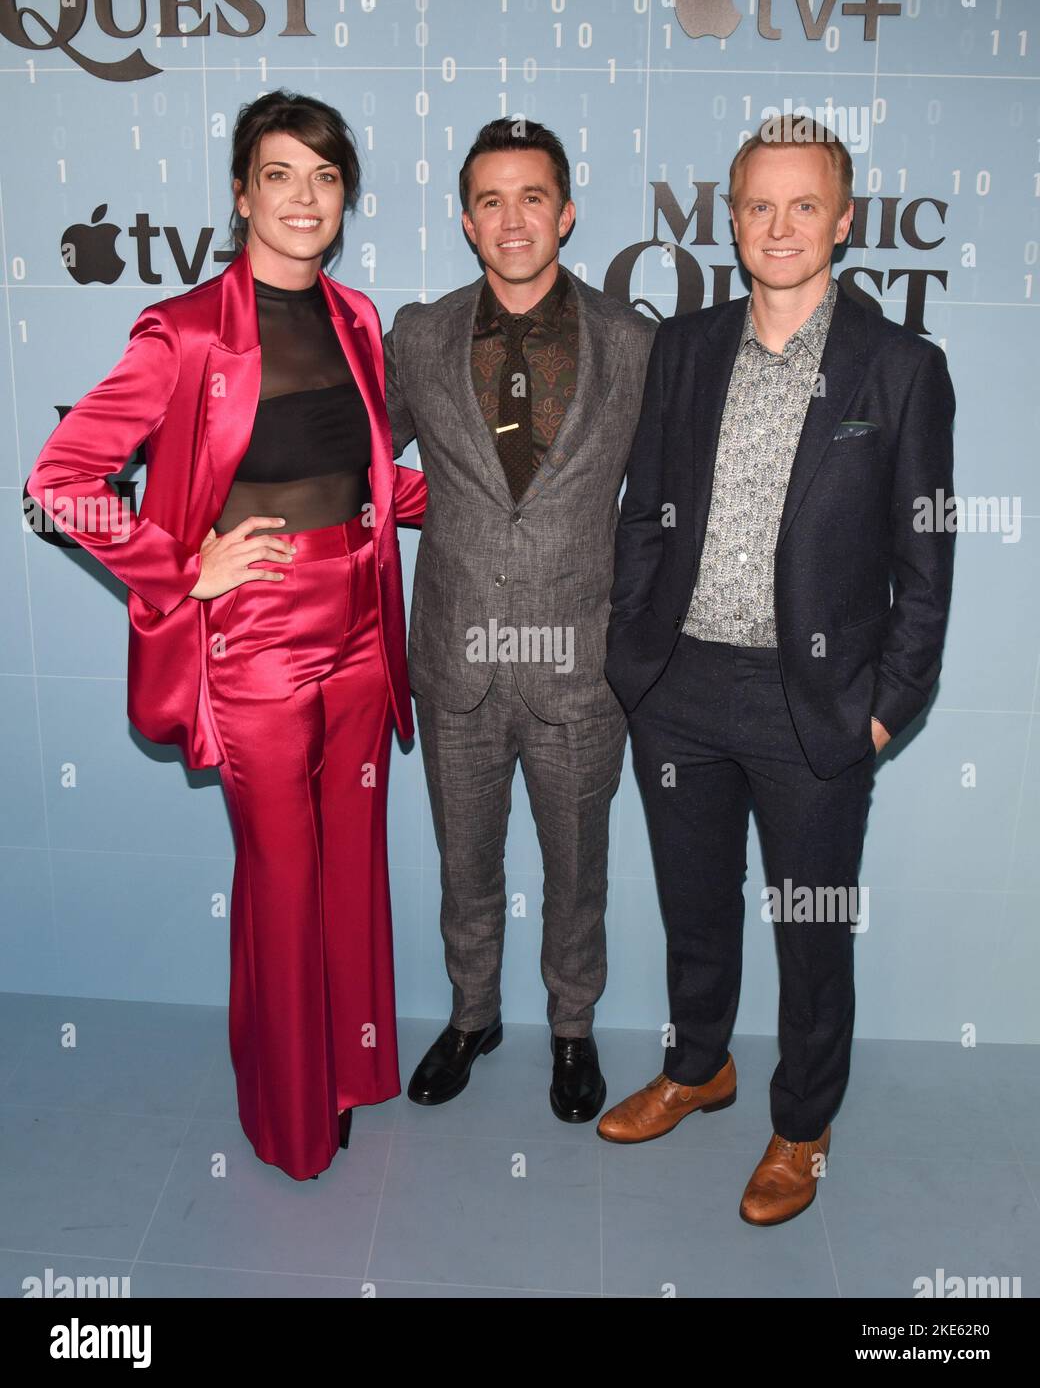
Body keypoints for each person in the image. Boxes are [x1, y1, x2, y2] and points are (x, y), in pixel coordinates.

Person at [24, 90, 427, 1182]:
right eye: (280, 174)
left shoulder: (352, 317)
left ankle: (348, 1071)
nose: (304, 197)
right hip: (254, 633)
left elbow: (365, 475)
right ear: (242, 194)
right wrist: (182, 567)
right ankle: (293, 1115)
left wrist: (478, 494)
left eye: (325, 177)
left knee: (352, 863)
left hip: (358, 620)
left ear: (344, 200)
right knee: (283, 872)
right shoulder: (187, 329)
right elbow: (59, 480)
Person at [599, 116, 956, 1224]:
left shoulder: (900, 369)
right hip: (679, 691)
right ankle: (698, 1063)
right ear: (731, 217)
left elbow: (924, 559)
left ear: (844, 221)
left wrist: (884, 713)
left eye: (805, 205)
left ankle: (800, 1125)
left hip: (816, 710)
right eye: (758, 205)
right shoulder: (687, 346)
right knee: (693, 905)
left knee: (807, 927)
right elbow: (643, 511)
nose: (779, 225)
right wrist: (633, 656)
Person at [382, 118, 656, 1122]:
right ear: (465, 220)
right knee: (466, 861)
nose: (512, 218)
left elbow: (671, 498)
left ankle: (573, 1029)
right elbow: (353, 454)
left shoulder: (630, 342)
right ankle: (472, 1014)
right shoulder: (418, 336)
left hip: (578, 669)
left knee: (578, 865)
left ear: (566, 212)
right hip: (454, 659)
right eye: (490, 199)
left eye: (531, 196)